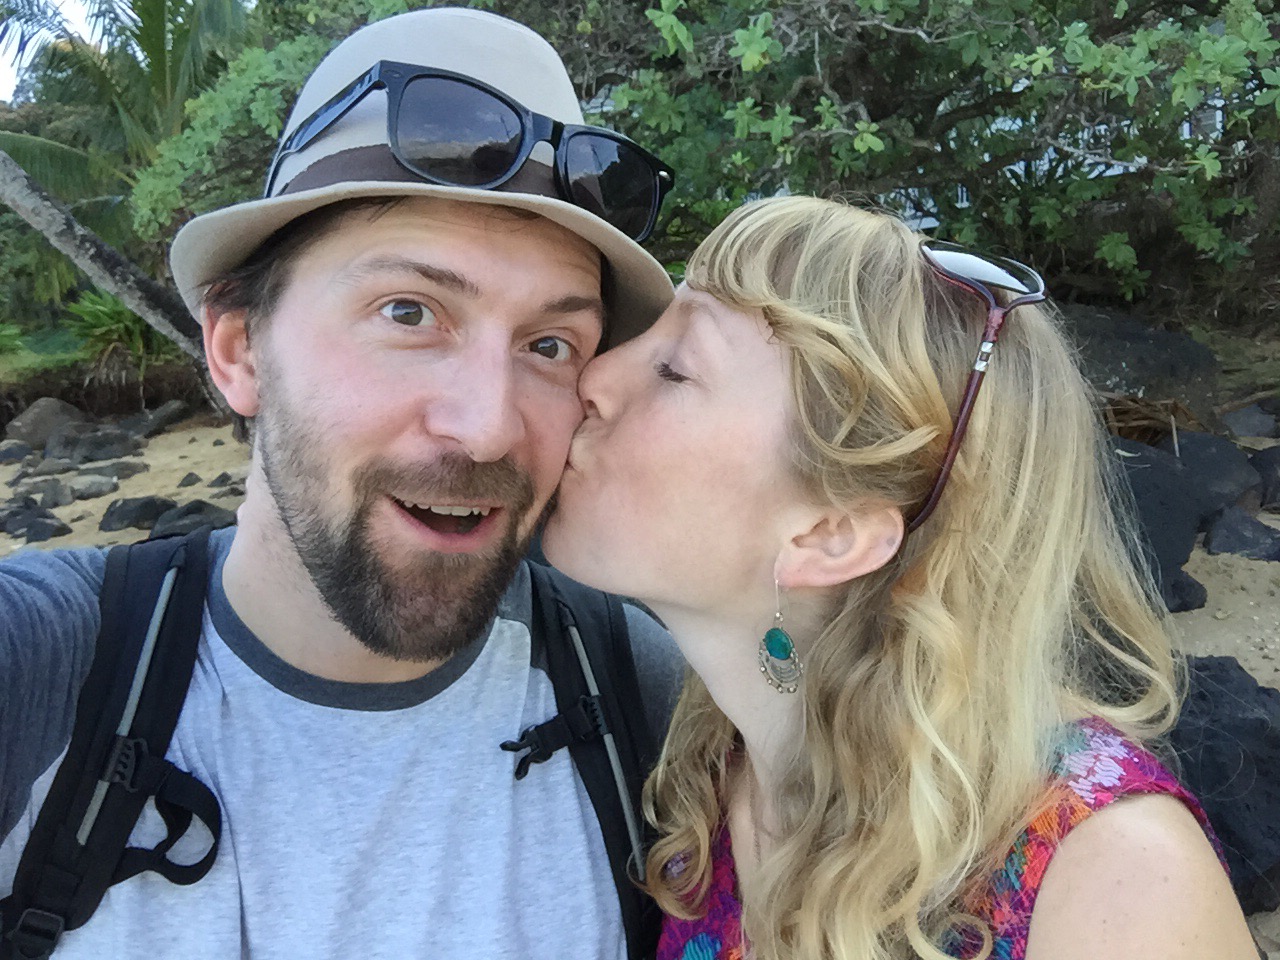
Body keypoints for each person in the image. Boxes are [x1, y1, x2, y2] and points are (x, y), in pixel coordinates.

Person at [0, 8, 683, 959]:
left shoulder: (643, 700)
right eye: (409, 311)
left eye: (548, 344)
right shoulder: (38, 673)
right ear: (238, 350)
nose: (487, 423)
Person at [541, 195, 1261, 959]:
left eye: (675, 370)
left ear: (830, 533)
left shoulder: (1112, 882)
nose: (597, 372)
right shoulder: (709, 770)